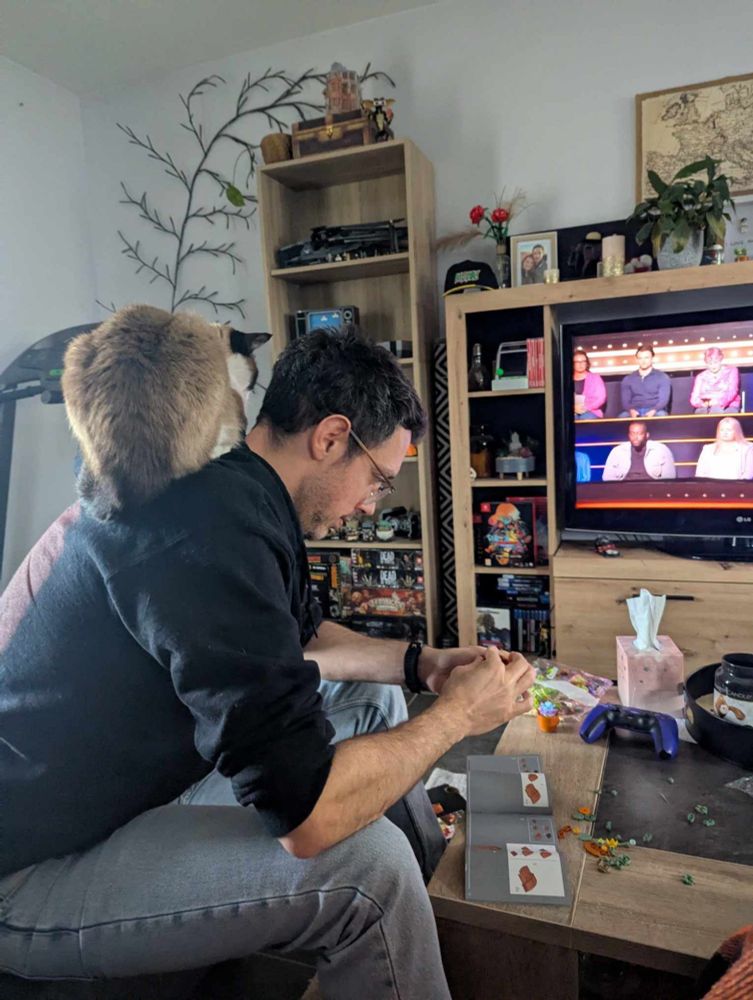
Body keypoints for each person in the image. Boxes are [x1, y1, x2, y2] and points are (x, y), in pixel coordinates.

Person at [0, 316, 535, 998]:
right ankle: (400, 920)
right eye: (377, 481)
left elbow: (300, 640)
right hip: (36, 866)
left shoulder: (241, 491)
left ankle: (431, 910)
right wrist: (456, 716)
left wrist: (422, 664)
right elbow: (306, 821)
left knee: (374, 697)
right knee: (369, 868)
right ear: (331, 437)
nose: (370, 507)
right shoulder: (209, 530)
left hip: (137, 791)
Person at [602, 420, 676, 481]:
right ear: (628, 435)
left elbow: (670, 477)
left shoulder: (661, 449)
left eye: (639, 434)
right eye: (632, 434)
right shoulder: (617, 451)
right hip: (624, 490)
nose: (635, 437)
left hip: (652, 490)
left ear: (647, 435)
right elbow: (607, 477)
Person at [619, 345, 671, 417]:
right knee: (622, 416)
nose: (643, 361)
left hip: (655, 410)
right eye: (640, 358)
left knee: (661, 415)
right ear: (637, 360)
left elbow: (663, 400)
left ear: (652, 359)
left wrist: (654, 410)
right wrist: (631, 410)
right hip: (634, 410)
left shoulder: (662, 377)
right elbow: (625, 401)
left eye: (646, 358)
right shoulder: (628, 379)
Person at [689, 347, 741, 413]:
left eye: (715, 362)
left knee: (719, 412)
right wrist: (704, 404)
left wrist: (719, 402)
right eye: (710, 363)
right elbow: (694, 398)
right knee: (704, 412)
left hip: (729, 405)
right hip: (706, 407)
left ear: (720, 359)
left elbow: (732, 391)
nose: (713, 366)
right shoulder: (701, 377)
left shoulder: (731, 371)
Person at [573, 349, 607, 419]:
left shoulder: (595, 378)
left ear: (587, 363)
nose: (580, 364)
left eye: (583, 361)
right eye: (577, 362)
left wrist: (586, 407)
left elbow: (601, 398)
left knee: (585, 418)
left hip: (591, 411)